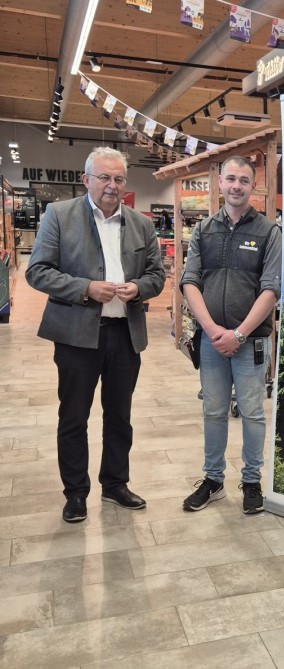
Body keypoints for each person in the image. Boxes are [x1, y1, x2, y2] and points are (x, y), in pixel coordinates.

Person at [25, 147, 165, 523]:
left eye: (118, 178)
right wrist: (86, 288)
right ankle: (75, 493)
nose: (111, 185)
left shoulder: (141, 224)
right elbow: (37, 271)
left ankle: (115, 483)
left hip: (125, 335)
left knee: (120, 416)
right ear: (86, 179)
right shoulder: (59, 215)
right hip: (76, 336)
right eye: (104, 177)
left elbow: (157, 275)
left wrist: (138, 288)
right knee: (74, 417)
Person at [180, 155, 282, 514]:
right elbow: (189, 281)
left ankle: (252, 481)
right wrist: (211, 330)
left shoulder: (269, 232)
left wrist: (238, 334)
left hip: (251, 341)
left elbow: (271, 290)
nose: (236, 185)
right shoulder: (204, 231)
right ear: (219, 183)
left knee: (253, 412)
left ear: (252, 186)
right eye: (230, 179)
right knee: (213, 410)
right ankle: (213, 480)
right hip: (210, 341)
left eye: (243, 180)